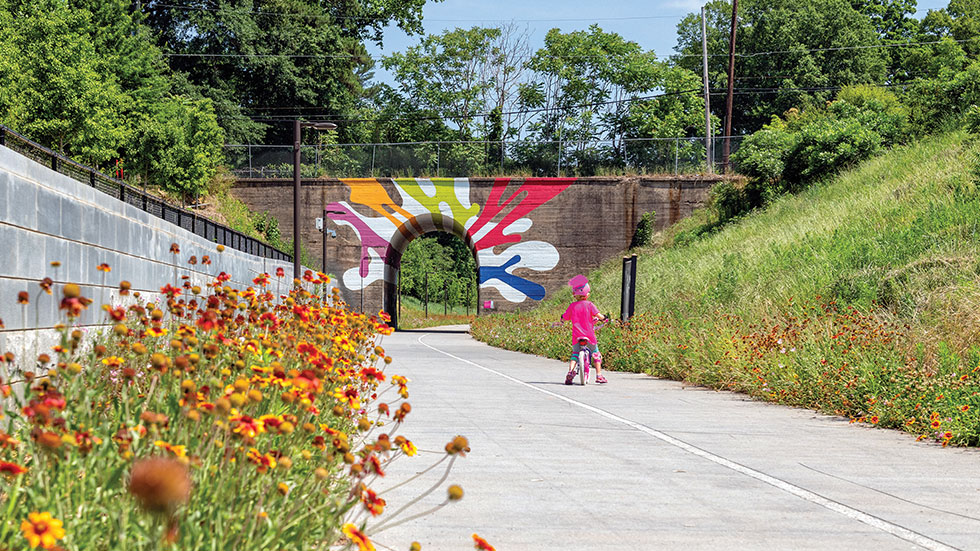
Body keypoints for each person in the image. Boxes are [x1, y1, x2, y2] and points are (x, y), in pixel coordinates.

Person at [561, 275, 607, 385]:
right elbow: (599, 316)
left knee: (575, 354)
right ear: (587, 294)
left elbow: (566, 317)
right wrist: (605, 318)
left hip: (576, 336)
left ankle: (570, 372)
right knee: (596, 353)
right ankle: (599, 375)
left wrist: (562, 317)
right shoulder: (590, 305)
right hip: (589, 335)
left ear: (574, 294)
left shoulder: (572, 306)